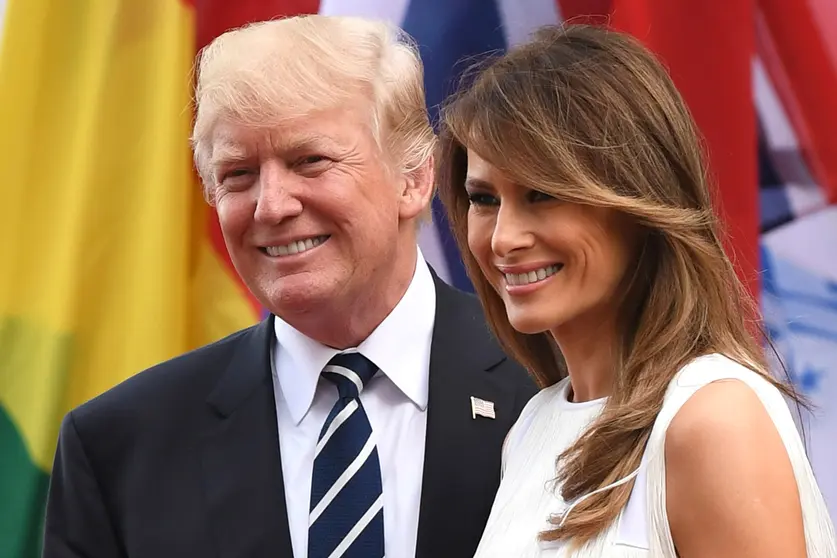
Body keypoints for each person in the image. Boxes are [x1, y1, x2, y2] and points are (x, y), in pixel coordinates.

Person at [42, 15, 536, 558]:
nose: (272, 205)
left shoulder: (558, 384)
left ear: (414, 179)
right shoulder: (119, 448)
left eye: (310, 161)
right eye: (238, 174)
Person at [436, 23, 837, 558]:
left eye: (543, 193)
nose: (504, 238)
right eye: (484, 200)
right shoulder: (531, 427)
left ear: (638, 202)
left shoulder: (711, 418)